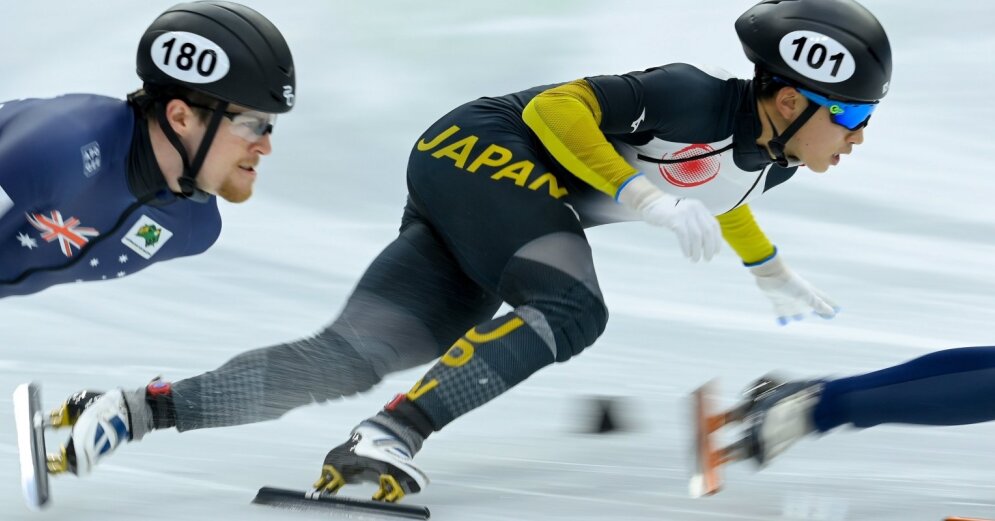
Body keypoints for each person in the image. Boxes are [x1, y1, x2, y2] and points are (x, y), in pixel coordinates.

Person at [47, 0, 890, 504]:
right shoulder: (691, 95)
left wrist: (765, 265)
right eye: (848, 116)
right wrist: (639, 195)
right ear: (786, 96)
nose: (856, 137)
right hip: (482, 146)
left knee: (350, 353)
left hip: (500, 197)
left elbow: (728, 201)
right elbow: (557, 110)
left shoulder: (771, 168)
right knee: (571, 307)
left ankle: (121, 411)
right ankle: (387, 436)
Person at [0, 1, 295, 298]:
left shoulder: (194, 228)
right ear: (180, 118)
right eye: (251, 124)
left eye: (269, 125)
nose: (266, 146)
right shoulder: (57, 150)